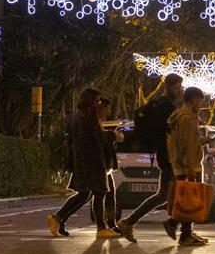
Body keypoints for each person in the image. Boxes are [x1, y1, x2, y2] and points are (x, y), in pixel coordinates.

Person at [118, 73, 184, 242]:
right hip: (169, 155)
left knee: (163, 195)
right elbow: (171, 131)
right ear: (168, 86)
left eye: (180, 88)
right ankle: (180, 227)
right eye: (177, 88)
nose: (179, 91)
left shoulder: (159, 104)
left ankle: (129, 222)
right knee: (180, 192)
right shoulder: (166, 106)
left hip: (164, 154)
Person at [48, 88, 120, 240]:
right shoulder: (87, 117)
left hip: (85, 161)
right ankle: (101, 228)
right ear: (91, 100)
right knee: (99, 192)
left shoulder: (82, 116)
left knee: (85, 194)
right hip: (91, 162)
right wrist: (113, 135)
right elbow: (96, 139)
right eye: (97, 100)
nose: (99, 103)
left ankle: (58, 217)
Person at [165, 86, 209, 246]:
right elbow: (186, 145)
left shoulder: (184, 116)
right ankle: (179, 229)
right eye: (201, 101)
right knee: (189, 199)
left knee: (188, 198)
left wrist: (202, 141)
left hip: (185, 164)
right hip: (188, 166)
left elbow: (189, 141)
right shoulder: (186, 118)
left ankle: (185, 231)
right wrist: (190, 167)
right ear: (194, 99)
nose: (201, 104)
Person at [96, 97, 123, 234]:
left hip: (104, 165)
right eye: (107, 109)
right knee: (95, 195)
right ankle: (103, 227)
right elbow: (99, 139)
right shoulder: (92, 121)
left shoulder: (97, 122)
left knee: (108, 193)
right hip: (97, 164)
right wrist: (113, 135)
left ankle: (110, 224)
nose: (109, 111)